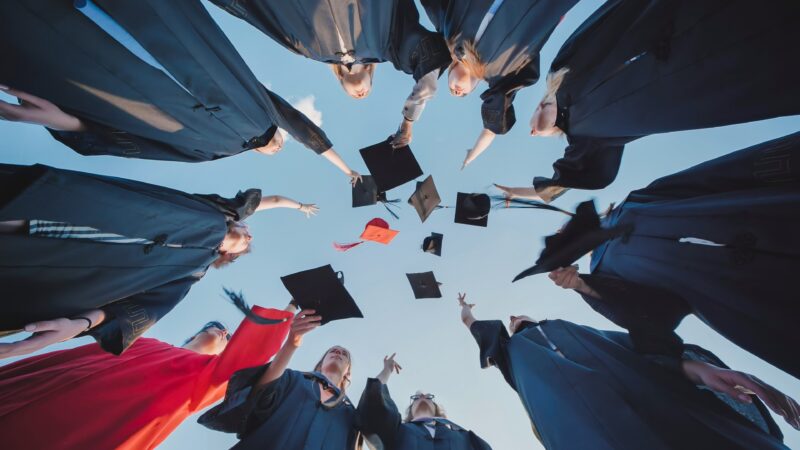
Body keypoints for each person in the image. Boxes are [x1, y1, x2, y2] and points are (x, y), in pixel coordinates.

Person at [0, 0, 360, 184]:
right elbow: (305, 130)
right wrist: (346, 171)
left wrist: (67, 123)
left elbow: (138, 145)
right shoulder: (257, 106)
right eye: (282, 141)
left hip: (87, 65)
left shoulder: (208, 151)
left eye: (275, 150)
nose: (279, 145)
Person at [545, 132, 800, 379]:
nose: (567, 233)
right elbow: (658, 314)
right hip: (746, 293)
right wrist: (582, 285)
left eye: (565, 228)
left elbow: (710, 179)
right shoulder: (604, 273)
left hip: (771, 216)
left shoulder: (634, 203)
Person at [0, 162, 317, 357]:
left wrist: (78, 323)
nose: (248, 235)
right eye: (247, 230)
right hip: (60, 210)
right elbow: (269, 200)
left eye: (247, 243)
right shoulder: (212, 212)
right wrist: (300, 206)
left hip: (52, 271)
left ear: (229, 255)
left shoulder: (191, 274)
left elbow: (139, 310)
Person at [497, 0, 800, 202]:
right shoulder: (586, 139)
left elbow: (611, 20)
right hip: (702, 84)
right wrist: (516, 192)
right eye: (534, 133)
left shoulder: (563, 70)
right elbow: (561, 183)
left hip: (678, 24)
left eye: (530, 123)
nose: (531, 128)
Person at [458, 293, 798, 449]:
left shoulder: (572, 328)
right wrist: (466, 310)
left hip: (658, 401)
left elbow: (645, 352)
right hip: (579, 423)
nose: (515, 318)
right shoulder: (511, 353)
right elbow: (477, 329)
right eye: (512, 319)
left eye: (519, 314)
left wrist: (695, 368)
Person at [0, 303, 293, 450]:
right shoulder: (145, 341)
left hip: (85, 426)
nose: (223, 332)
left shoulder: (207, 377)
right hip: (43, 386)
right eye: (217, 325)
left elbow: (247, 358)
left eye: (228, 337)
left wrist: (290, 309)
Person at [210, 0, 451, 148]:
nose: (361, 93)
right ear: (371, 76)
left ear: (340, 83)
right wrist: (408, 123)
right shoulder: (387, 44)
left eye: (356, 96)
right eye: (367, 93)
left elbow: (259, 10)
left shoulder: (308, 49)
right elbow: (429, 61)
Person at [420, 0, 579, 168]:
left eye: (451, 89)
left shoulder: (449, 32)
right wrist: (471, 155)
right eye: (461, 93)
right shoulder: (500, 74)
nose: (457, 92)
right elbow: (491, 127)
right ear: (475, 87)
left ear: (450, 69)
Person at [198, 307, 360, 449]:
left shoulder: (351, 416)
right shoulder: (294, 379)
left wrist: (385, 373)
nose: (338, 352)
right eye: (333, 351)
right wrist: (292, 342)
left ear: (348, 372)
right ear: (319, 365)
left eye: (344, 354)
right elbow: (260, 395)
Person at [356, 353, 492, 449]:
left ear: (436, 408)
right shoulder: (397, 431)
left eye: (428, 397)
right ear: (410, 411)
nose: (422, 396)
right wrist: (387, 370)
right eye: (416, 397)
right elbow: (373, 404)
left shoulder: (465, 438)